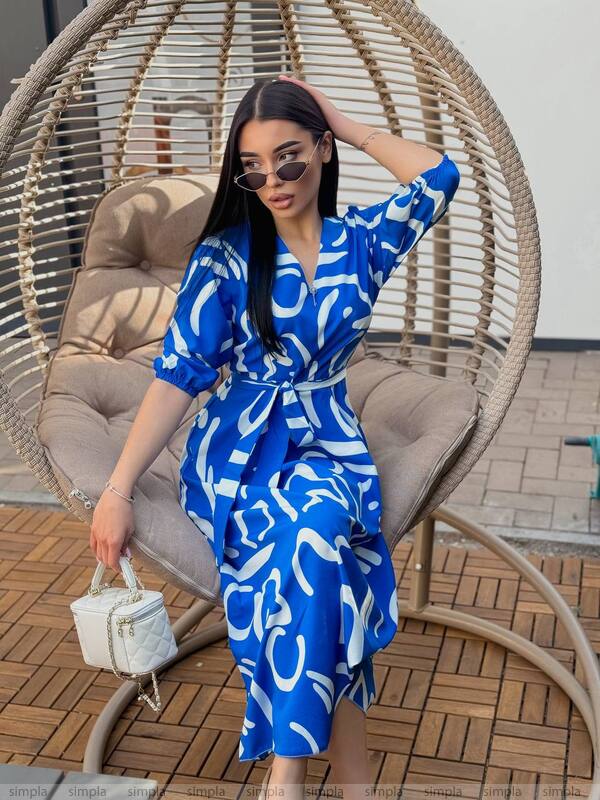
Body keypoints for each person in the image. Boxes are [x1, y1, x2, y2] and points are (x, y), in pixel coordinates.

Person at [90, 74, 460, 798]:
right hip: (237, 451)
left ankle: (289, 774)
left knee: (321, 542)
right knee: (325, 553)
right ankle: (347, 779)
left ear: (322, 151)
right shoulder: (227, 259)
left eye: (290, 160)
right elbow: (176, 377)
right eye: (252, 168)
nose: (273, 181)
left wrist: (346, 122)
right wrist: (117, 487)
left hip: (329, 442)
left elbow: (437, 177)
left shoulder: (362, 241)